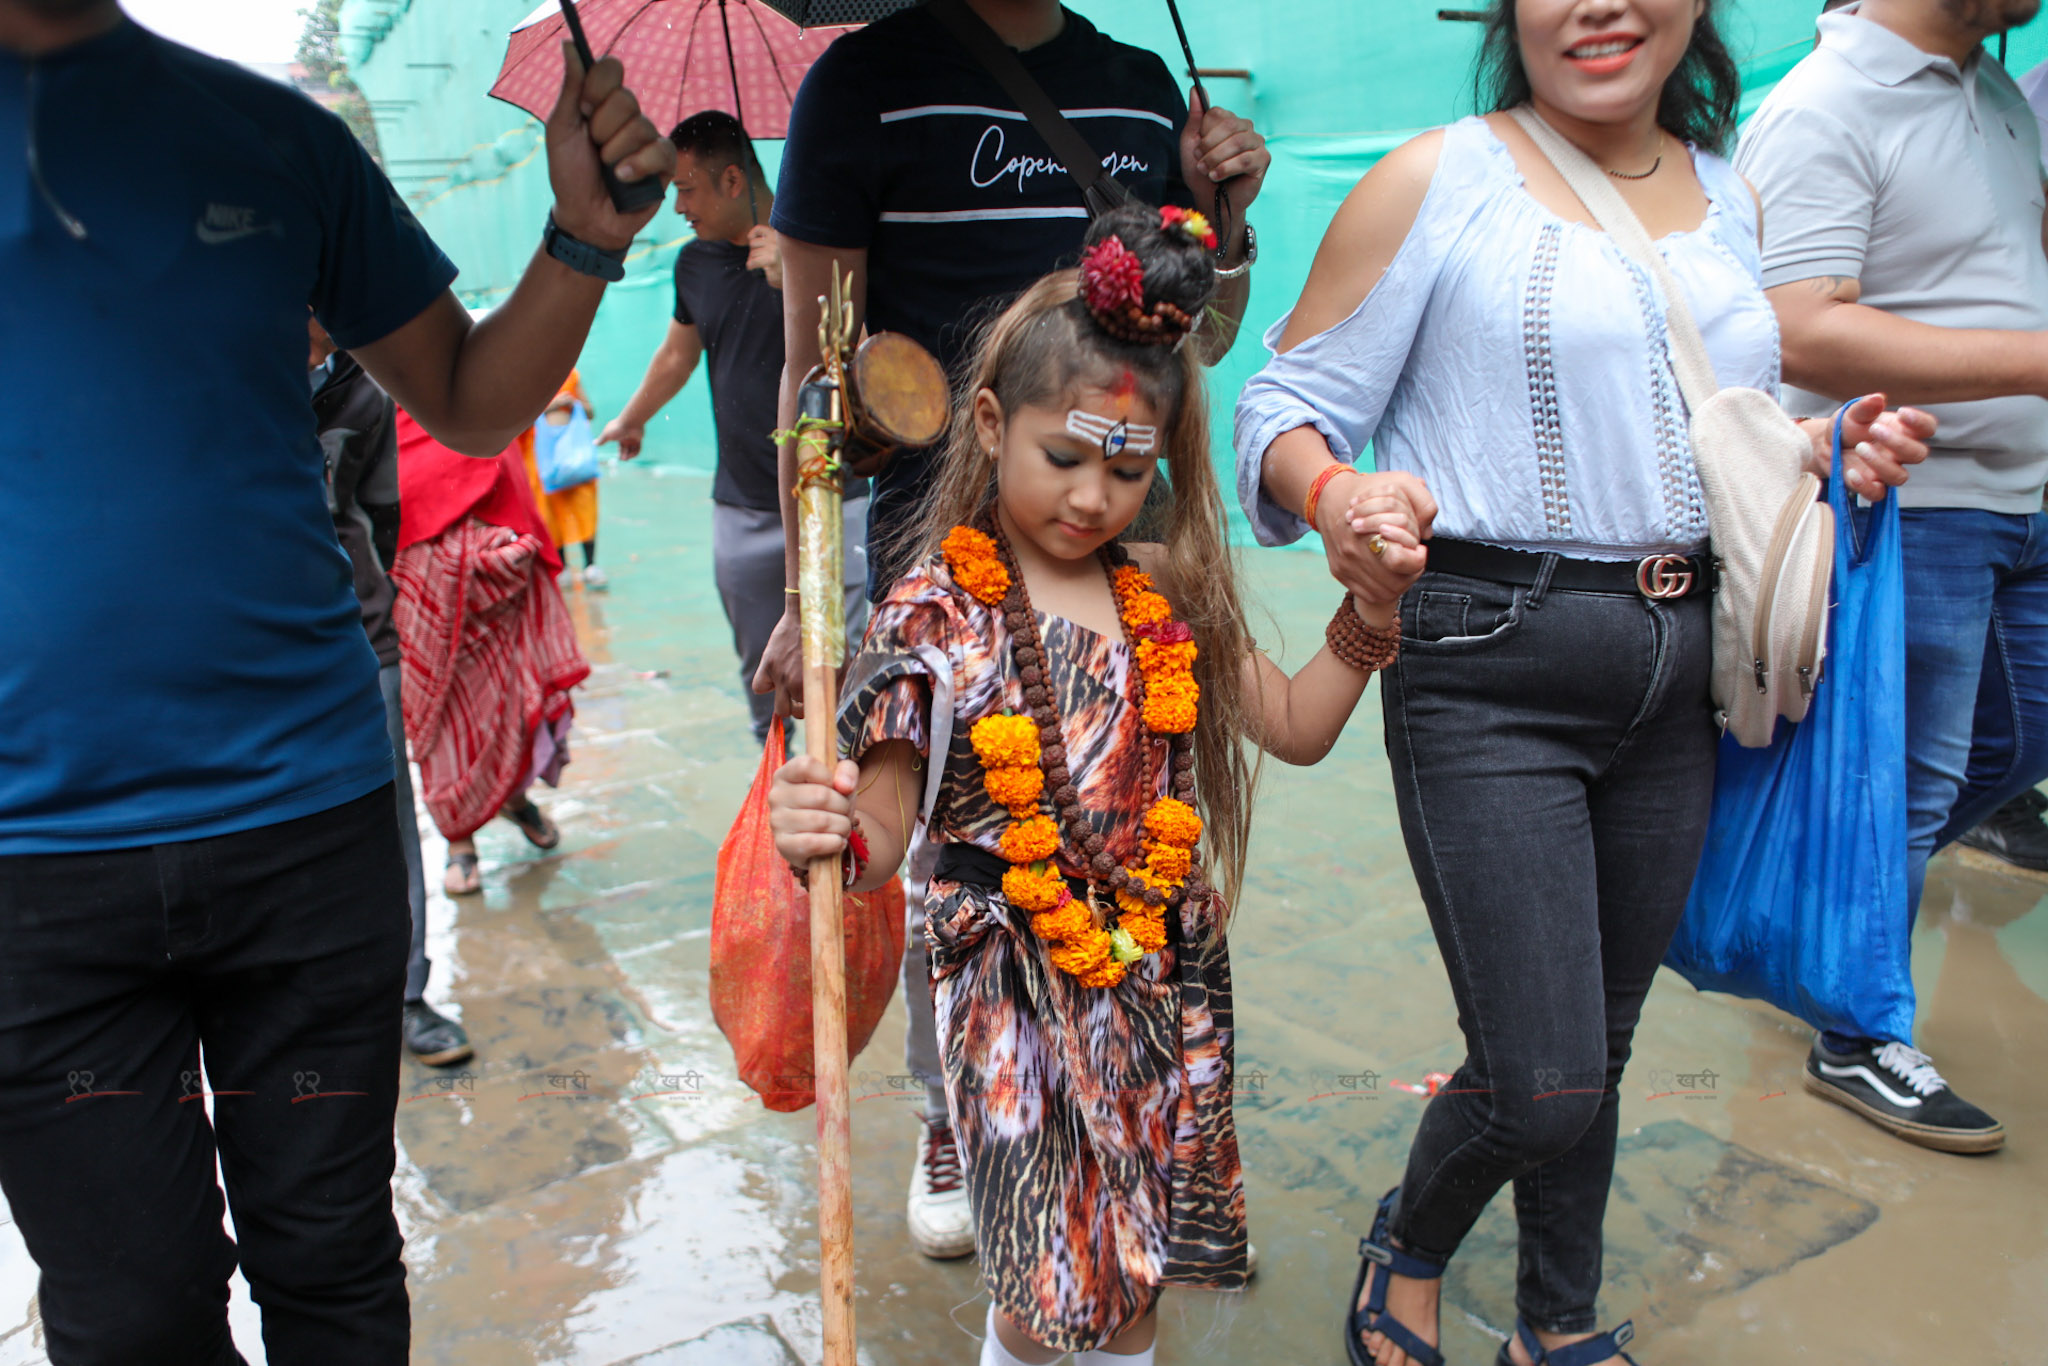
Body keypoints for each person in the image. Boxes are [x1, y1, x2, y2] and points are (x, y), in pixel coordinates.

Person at [1235, 2, 1931, 1363]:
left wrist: (1823, 451)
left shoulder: (1733, 194)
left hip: (1683, 666)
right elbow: (1279, 405)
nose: (1598, 5)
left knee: (1594, 1048)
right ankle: (1411, 1240)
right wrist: (1338, 488)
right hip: (1493, 662)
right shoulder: (1437, 180)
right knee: (1544, 1072)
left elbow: (1708, 423)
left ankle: (1555, 1318)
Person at [0, 1, 672, 1358]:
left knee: (337, 1275)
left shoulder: (276, 141)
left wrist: (588, 241)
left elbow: (470, 400)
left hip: (303, 829)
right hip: (30, 877)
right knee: (129, 1316)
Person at [769, 204, 1424, 1366]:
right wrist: (825, 827)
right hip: (1006, 984)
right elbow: (877, 824)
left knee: (1131, 1278)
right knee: (1038, 1282)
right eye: (1061, 457)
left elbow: (1296, 724)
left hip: (1149, 978)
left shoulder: (1160, 600)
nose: (1089, 496)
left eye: (1126, 467)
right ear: (988, 422)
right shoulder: (936, 612)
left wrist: (1369, 615)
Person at [761, 0, 1271, 1259]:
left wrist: (1230, 217)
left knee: (1117, 822)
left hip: (1124, 538)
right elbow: (811, 370)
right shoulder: (858, 82)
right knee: (961, 846)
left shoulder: (1144, 85)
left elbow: (1199, 330)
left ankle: (1119, 1079)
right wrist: (804, 596)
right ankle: (959, 1109)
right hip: (939, 540)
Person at [1738, 0, 2042, 1154]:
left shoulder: (1994, 92)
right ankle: (1854, 1027)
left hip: (2020, 494)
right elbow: (1797, 331)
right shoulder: (1826, 105)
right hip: (1914, 500)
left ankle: (1833, 919)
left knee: (2011, 751)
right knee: (1907, 784)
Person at [600, 111, 869, 742]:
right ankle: (773, 797)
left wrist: (798, 273)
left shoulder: (822, 244)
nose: (677, 207)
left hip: (834, 496)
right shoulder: (692, 264)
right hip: (742, 509)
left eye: (685, 189)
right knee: (766, 675)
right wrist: (632, 418)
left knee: (847, 668)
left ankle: (862, 809)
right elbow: (677, 353)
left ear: (729, 180)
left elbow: (867, 352)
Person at [308, 318, 473, 1067]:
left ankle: (406, 997)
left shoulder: (366, 389)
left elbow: (380, 515)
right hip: (244, 651)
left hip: (358, 637)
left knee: (387, 819)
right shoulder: (226, 372)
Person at [392, 410, 590, 897]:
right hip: (416, 591)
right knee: (437, 716)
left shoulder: (477, 404)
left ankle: (514, 799)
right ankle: (460, 841)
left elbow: (511, 486)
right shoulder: (377, 403)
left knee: (508, 704)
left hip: (503, 591)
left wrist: (496, 553)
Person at [522, 369, 605, 587]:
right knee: (550, 511)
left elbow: (590, 411)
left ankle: (591, 565)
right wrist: (552, 405)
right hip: (541, 455)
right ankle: (563, 566)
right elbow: (520, 415)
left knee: (584, 505)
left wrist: (574, 404)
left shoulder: (571, 375)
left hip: (573, 455)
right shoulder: (526, 377)